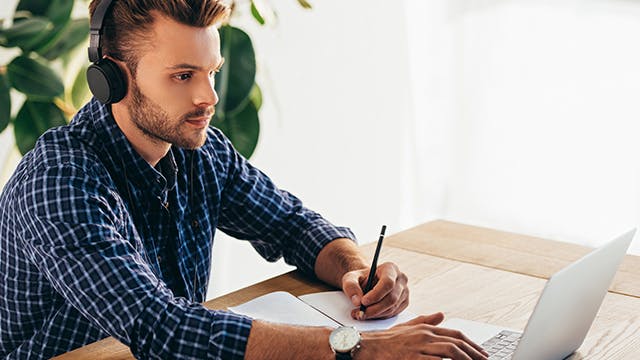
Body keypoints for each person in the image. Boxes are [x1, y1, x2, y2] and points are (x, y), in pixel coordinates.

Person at [0, 1, 488, 359]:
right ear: (113, 79)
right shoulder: (58, 181)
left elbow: (292, 225)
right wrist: (357, 348)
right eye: (183, 75)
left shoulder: (199, 149)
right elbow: (159, 327)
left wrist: (357, 270)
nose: (209, 96)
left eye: (212, 71)